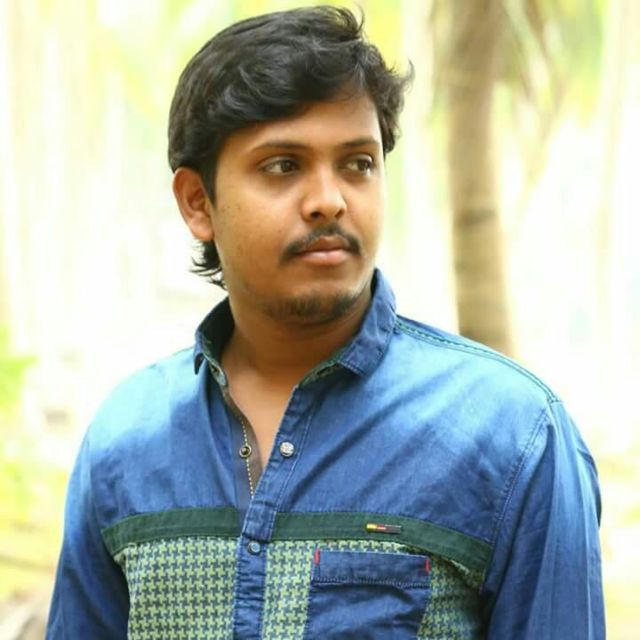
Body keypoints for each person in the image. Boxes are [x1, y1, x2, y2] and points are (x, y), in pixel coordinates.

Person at [46, 6, 604, 639]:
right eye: (282, 165)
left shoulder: (513, 436)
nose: (329, 200)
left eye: (358, 163)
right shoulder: (125, 443)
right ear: (198, 202)